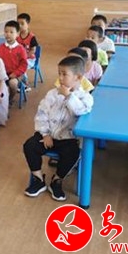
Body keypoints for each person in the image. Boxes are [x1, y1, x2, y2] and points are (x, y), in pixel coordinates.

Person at [23, 56, 94, 201]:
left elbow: (80, 111)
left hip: (68, 139)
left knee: (73, 154)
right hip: (48, 136)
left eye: (64, 74)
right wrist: (45, 134)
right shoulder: (52, 94)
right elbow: (41, 114)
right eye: (59, 73)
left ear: (78, 77)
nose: (60, 78)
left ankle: (57, 180)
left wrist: (68, 96)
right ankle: (38, 179)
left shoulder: (85, 97)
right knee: (29, 146)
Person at [0, 20, 28, 106]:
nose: (8, 34)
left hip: (16, 74)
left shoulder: (21, 49)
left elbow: (24, 65)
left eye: (11, 32)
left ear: (17, 34)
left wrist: (15, 73)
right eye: (6, 32)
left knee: (12, 84)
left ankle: (10, 98)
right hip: (3, 74)